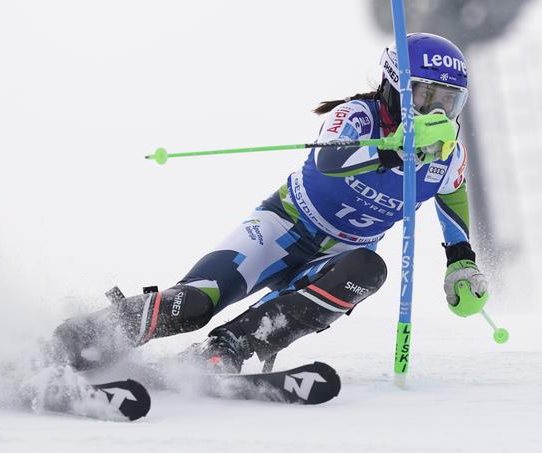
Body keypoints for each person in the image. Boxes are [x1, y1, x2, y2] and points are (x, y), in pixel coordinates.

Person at [54, 33, 488, 374]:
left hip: (342, 255)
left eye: (449, 101)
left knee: (369, 271)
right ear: (394, 87)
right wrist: (392, 149)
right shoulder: (361, 115)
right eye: (426, 96)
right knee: (196, 303)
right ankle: (79, 339)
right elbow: (329, 158)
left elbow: (451, 193)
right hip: (282, 228)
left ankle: (225, 350)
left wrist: (461, 260)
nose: (437, 112)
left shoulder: (448, 155)